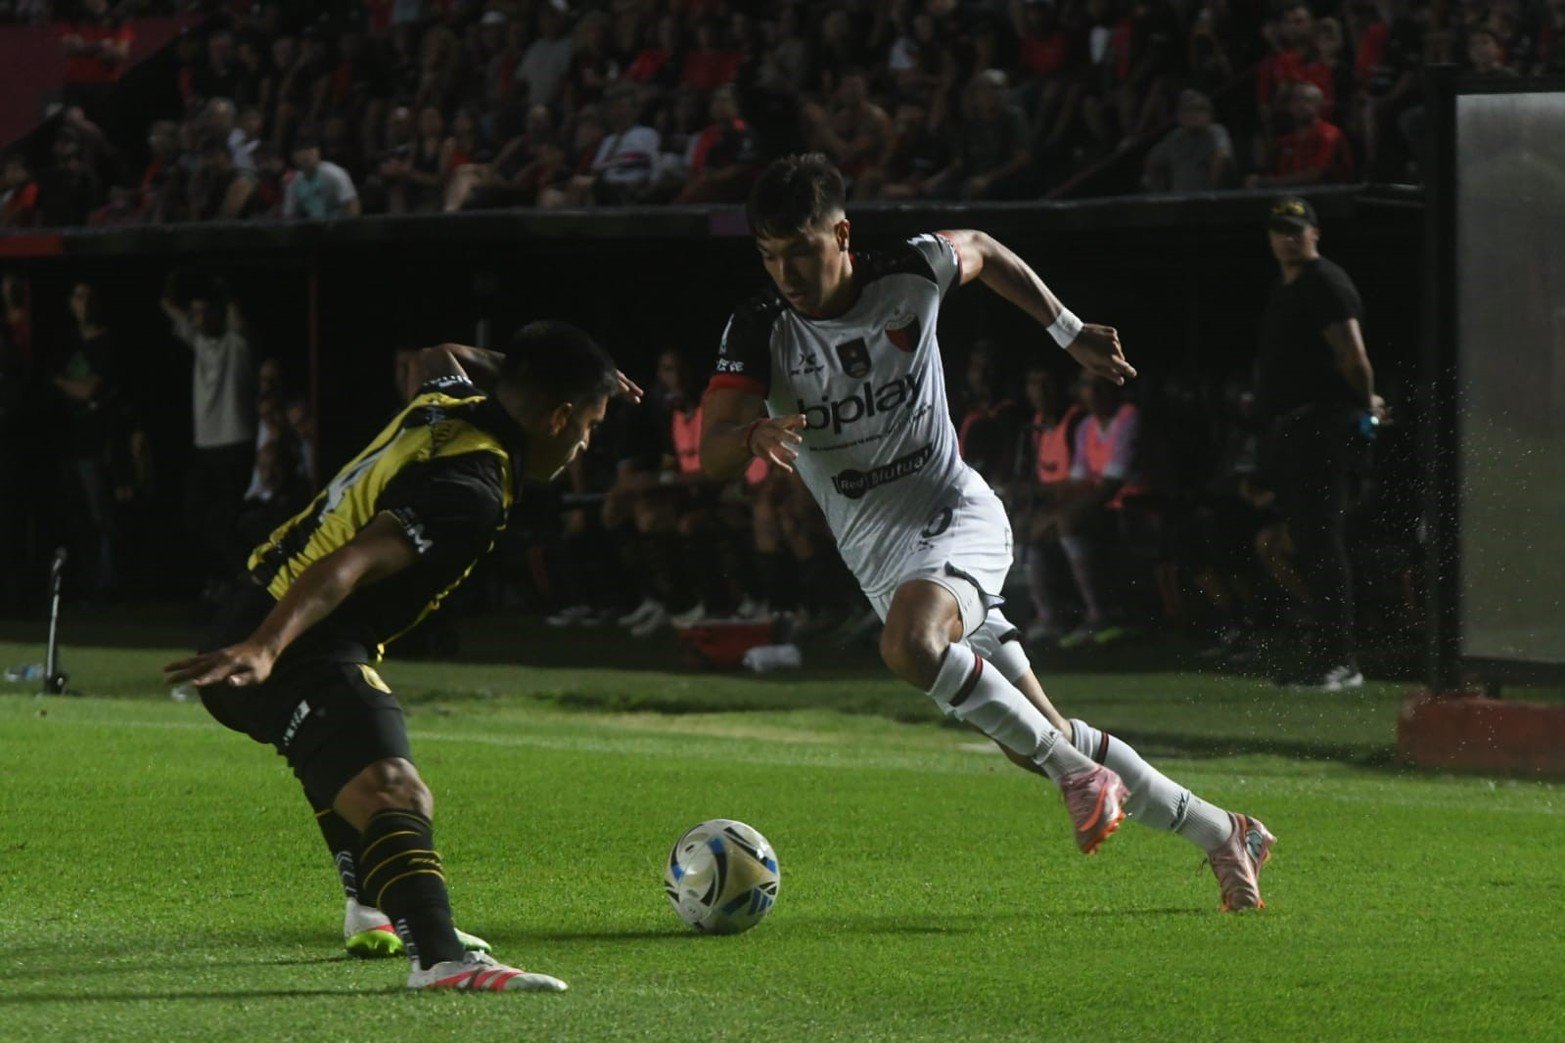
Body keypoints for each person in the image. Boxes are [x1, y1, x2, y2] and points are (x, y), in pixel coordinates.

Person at [700, 154, 1274, 911]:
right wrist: (748, 438)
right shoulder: (759, 328)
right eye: (770, 256)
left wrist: (1065, 330)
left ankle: (1076, 774)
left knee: (912, 648)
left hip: (956, 516)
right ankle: (1220, 830)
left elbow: (985, 248)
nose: (787, 272)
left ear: (840, 233)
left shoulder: (908, 274)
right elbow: (710, 447)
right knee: (1036, 732)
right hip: (878, 560)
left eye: (801, 249)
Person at [165, 322, 641, 990]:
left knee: (349, 758)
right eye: (587, 423)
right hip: (291, 634)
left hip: (270, 615)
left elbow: (435, 353)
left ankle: (373, 907)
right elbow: (350, 561)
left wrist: (540, 372)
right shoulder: (469, 488)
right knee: (394, 786)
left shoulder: (446, 400)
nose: (585, 440)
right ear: (558, 417)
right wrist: (265, 647)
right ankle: (440, 957)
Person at [1253, 197, 1380, 691]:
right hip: (1295, 429)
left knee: (1322, 543)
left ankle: (1341, 659)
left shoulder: (1323, 282)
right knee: (1306, 542)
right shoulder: (1287, 287)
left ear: (1315, 233)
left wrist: (1365, 404)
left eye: (1297, 230)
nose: (1289, 238)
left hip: (1321, 429)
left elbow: (1353, 355)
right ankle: (1325, 651)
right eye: (1281, 230)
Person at [160, 276, 257, 598]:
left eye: (204, 313)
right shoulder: (200, 342)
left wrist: (225, 292)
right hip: (205, 447)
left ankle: (245, 578)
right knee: (195, 515)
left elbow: (237, 320)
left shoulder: (236, 344)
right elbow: (169, 307)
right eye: (195, 313)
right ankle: (226, 578)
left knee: (225, 519)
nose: (197, 320)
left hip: (233, 443)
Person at [283, 136, 361, 220]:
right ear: (294, 157)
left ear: (318, 153)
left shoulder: (335, 174)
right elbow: (289, 214)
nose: (306, 156)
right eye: (301, 152)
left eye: (310, 152)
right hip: (312, 227)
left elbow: (351, 204)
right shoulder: (294, 182)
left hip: (339, 225)